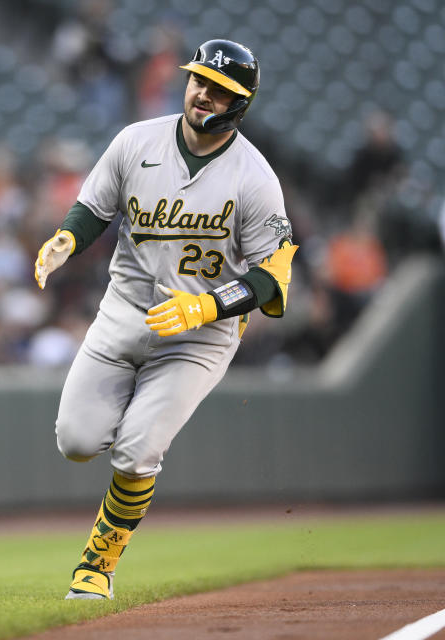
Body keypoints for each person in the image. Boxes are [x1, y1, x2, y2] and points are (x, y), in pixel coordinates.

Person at [35, 39, 296, 600]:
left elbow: (274, 278)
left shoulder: (255, 176)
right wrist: (65, 238)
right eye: (199, 80)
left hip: (199, 335)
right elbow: (93, 208)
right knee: (76, 441)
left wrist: (205, 306)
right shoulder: (136, 140)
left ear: (241, 102)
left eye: (219, 88)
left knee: (136, 450)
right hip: (124, 311)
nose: (203, 92)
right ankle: (122, 443)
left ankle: (98, 561)